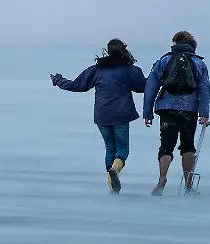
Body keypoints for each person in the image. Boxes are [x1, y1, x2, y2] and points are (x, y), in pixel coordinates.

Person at [51, 39, 147, 192]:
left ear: (108, 51)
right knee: (122, 149)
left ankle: (112, 187)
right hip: (121, 114)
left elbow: (77, 86)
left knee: (110, 148)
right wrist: (158, 75)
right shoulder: (130, 70)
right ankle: (114, 171)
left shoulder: (96, 70)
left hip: (102, 114)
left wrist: (58, 80)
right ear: (124, 51)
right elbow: (143, 87)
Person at [143, 30, 210, 195]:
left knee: (166, 145)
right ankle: (188, 185)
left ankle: (162, 179)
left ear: (175, 42)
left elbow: (151, 87)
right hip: (190, 109)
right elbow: (204, 90)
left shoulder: (164, 60)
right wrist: (204, 113)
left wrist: (148, 112)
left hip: (167, 108)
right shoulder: (199, 63)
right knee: (188, 145)